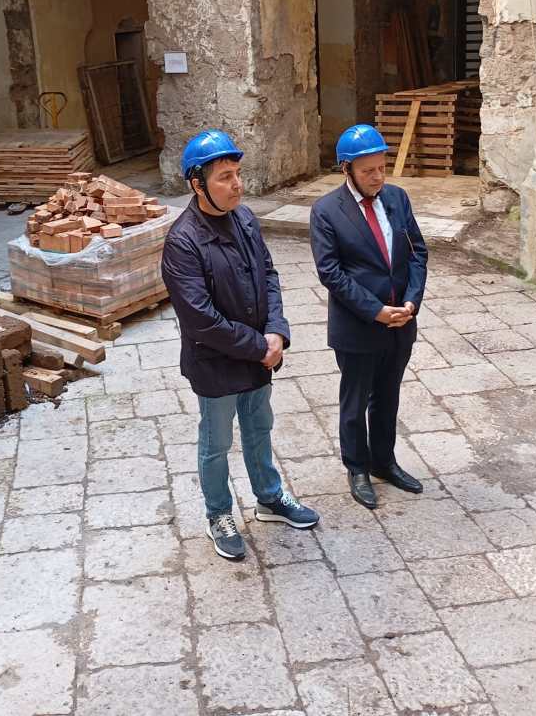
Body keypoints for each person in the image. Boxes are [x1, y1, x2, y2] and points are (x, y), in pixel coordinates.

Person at [162, 129, 320, 560]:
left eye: (237, 174)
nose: (237, 185)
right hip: (216, 362)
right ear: (198, 184)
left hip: (257, 354)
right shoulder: (182, 242)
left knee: (258, 428)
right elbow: (200, 319)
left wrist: (277, 331)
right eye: (225, 177)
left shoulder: (245, 219)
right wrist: (259, 346)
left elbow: (269, 276)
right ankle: (218, 514)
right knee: (216, 443)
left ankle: (269, 498)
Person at [309, 124, 428, 510]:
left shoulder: (397, 198)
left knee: (388, 396)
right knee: (355, 400)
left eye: (381, 168)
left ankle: (384, 461)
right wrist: (375, 311)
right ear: (347, 169)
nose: (377, 177)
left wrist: (410, 302)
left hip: (401, 322)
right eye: (367, 171)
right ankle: (357, 468)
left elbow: (417, 253)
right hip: (358, 326)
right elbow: (331, 273)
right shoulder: (326, 211)